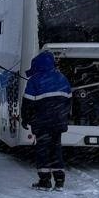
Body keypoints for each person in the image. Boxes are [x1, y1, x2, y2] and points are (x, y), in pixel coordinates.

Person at [20, 50, 72, 190]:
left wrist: (25, 118)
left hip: (42, 123)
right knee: (56, 149)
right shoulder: (62, 78)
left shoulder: (34, 80)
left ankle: (45, 181)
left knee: (43, 150)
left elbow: (27, 103)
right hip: (58, 122)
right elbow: (69, 101)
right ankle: (59, 181)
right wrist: (64, 117)